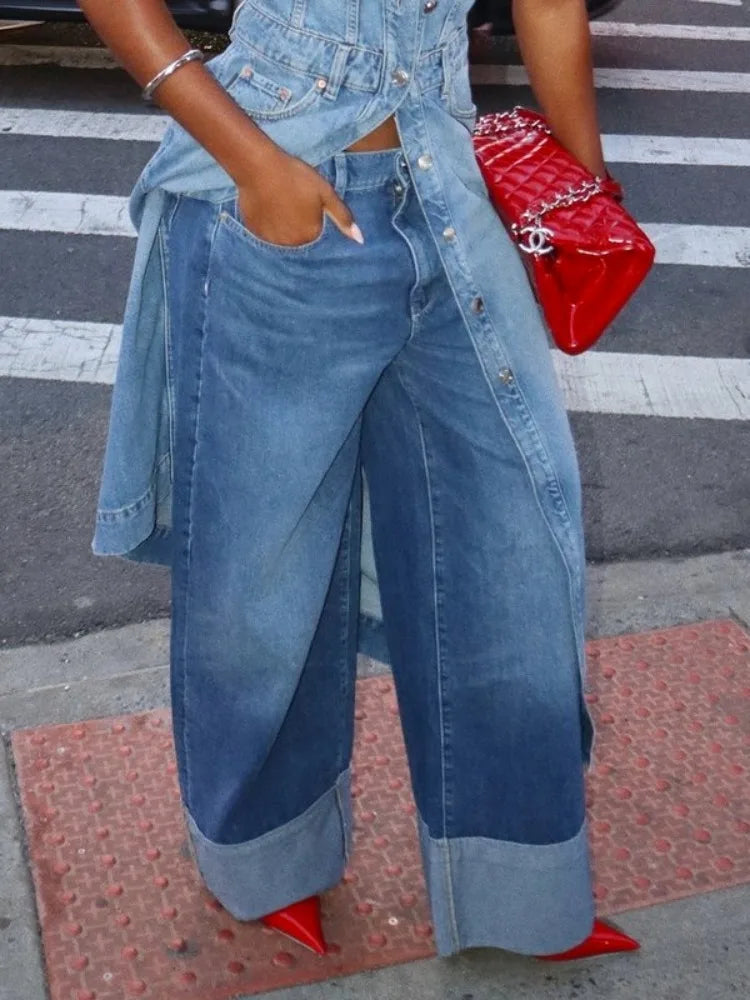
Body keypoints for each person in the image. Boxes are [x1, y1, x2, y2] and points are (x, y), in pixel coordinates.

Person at [82, 0, 640, 960]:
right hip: (279, 185)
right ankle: (266, 857)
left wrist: (579, 198)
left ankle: (518, 884)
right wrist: (257, 167)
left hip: (451, 185)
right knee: (261, 577)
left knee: (511, 553)